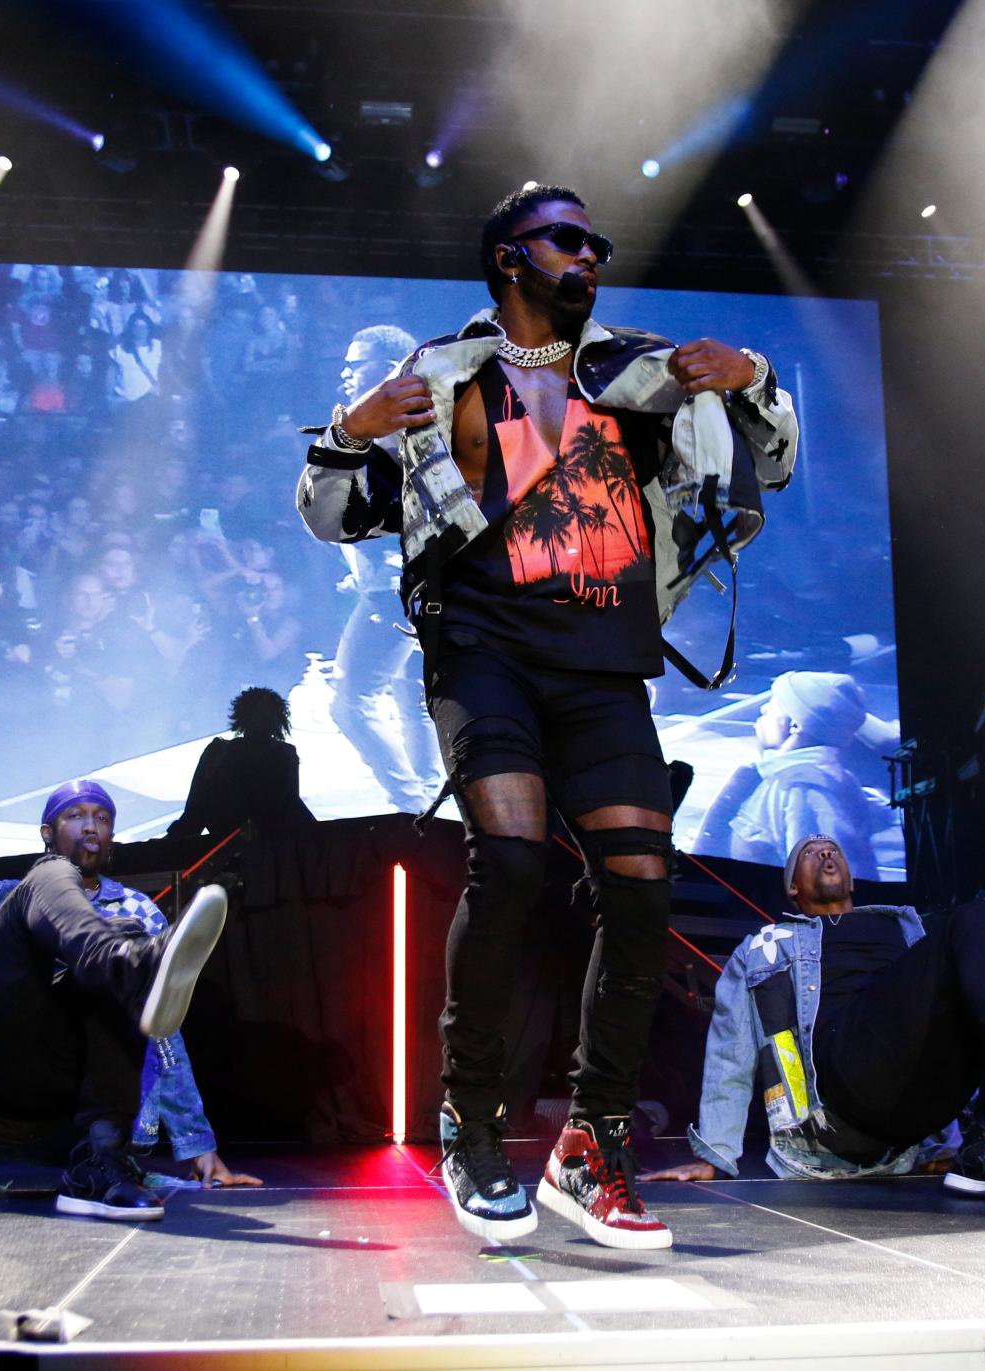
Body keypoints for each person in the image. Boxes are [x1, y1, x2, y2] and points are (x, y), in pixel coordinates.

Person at [298, 184, 799, 1248]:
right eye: (568, 241)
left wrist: (755, 382)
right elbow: (333, 518)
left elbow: (770, 473)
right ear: (510, 258)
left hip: (603, 660)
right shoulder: (441, 374)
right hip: (484, 646)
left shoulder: (643, 371)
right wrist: (348, 431)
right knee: (513, 861)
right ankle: (471, 1123)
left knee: (641, 886)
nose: (590, 257)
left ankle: (591, 1142)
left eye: (596, 244)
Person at [644, 835, 985, 1199]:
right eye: (812, 855)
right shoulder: (765, 948)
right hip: (841, 1084)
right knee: (976, 916)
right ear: (793, 886)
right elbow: (731, 1048)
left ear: (851, 879)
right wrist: (716, 1154)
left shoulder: (903, 928)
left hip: (908, 1104)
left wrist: (941, 1144)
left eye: (834, 853)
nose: (827, 857)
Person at [0, 780, 259, 1218]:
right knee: (51, 877)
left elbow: (163, 1032)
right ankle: (124, 964)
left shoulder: (136, 910)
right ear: (48, 832)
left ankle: (96, 1164)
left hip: (53, 1107)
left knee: (126, 931)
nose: (91, 827)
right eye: (76, 815)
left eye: (102, 818)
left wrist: (198, 1147)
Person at [325, 325, 441, 812]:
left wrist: (385, 568)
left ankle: (412, 806)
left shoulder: (396, 424)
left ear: (390, 365)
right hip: (411, 581)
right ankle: (431, 801)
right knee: (410, 695)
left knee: (350, 704)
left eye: (359, 364)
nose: (347, 374)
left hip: (398, 587)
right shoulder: (407, 417)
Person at [697, 671, 882, 878]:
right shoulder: (792, 778)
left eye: (774, 704)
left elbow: (818, 885)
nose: (763, 708)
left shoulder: (802, 790)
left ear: (795, 724)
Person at [168, 687, 315, 837]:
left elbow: (289, 805)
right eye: (257, 713)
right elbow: (196, 811)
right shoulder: (217, 752)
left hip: (267, 846)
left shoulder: (284, 754)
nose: (262, 720)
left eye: (266, 715)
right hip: (233, 846)